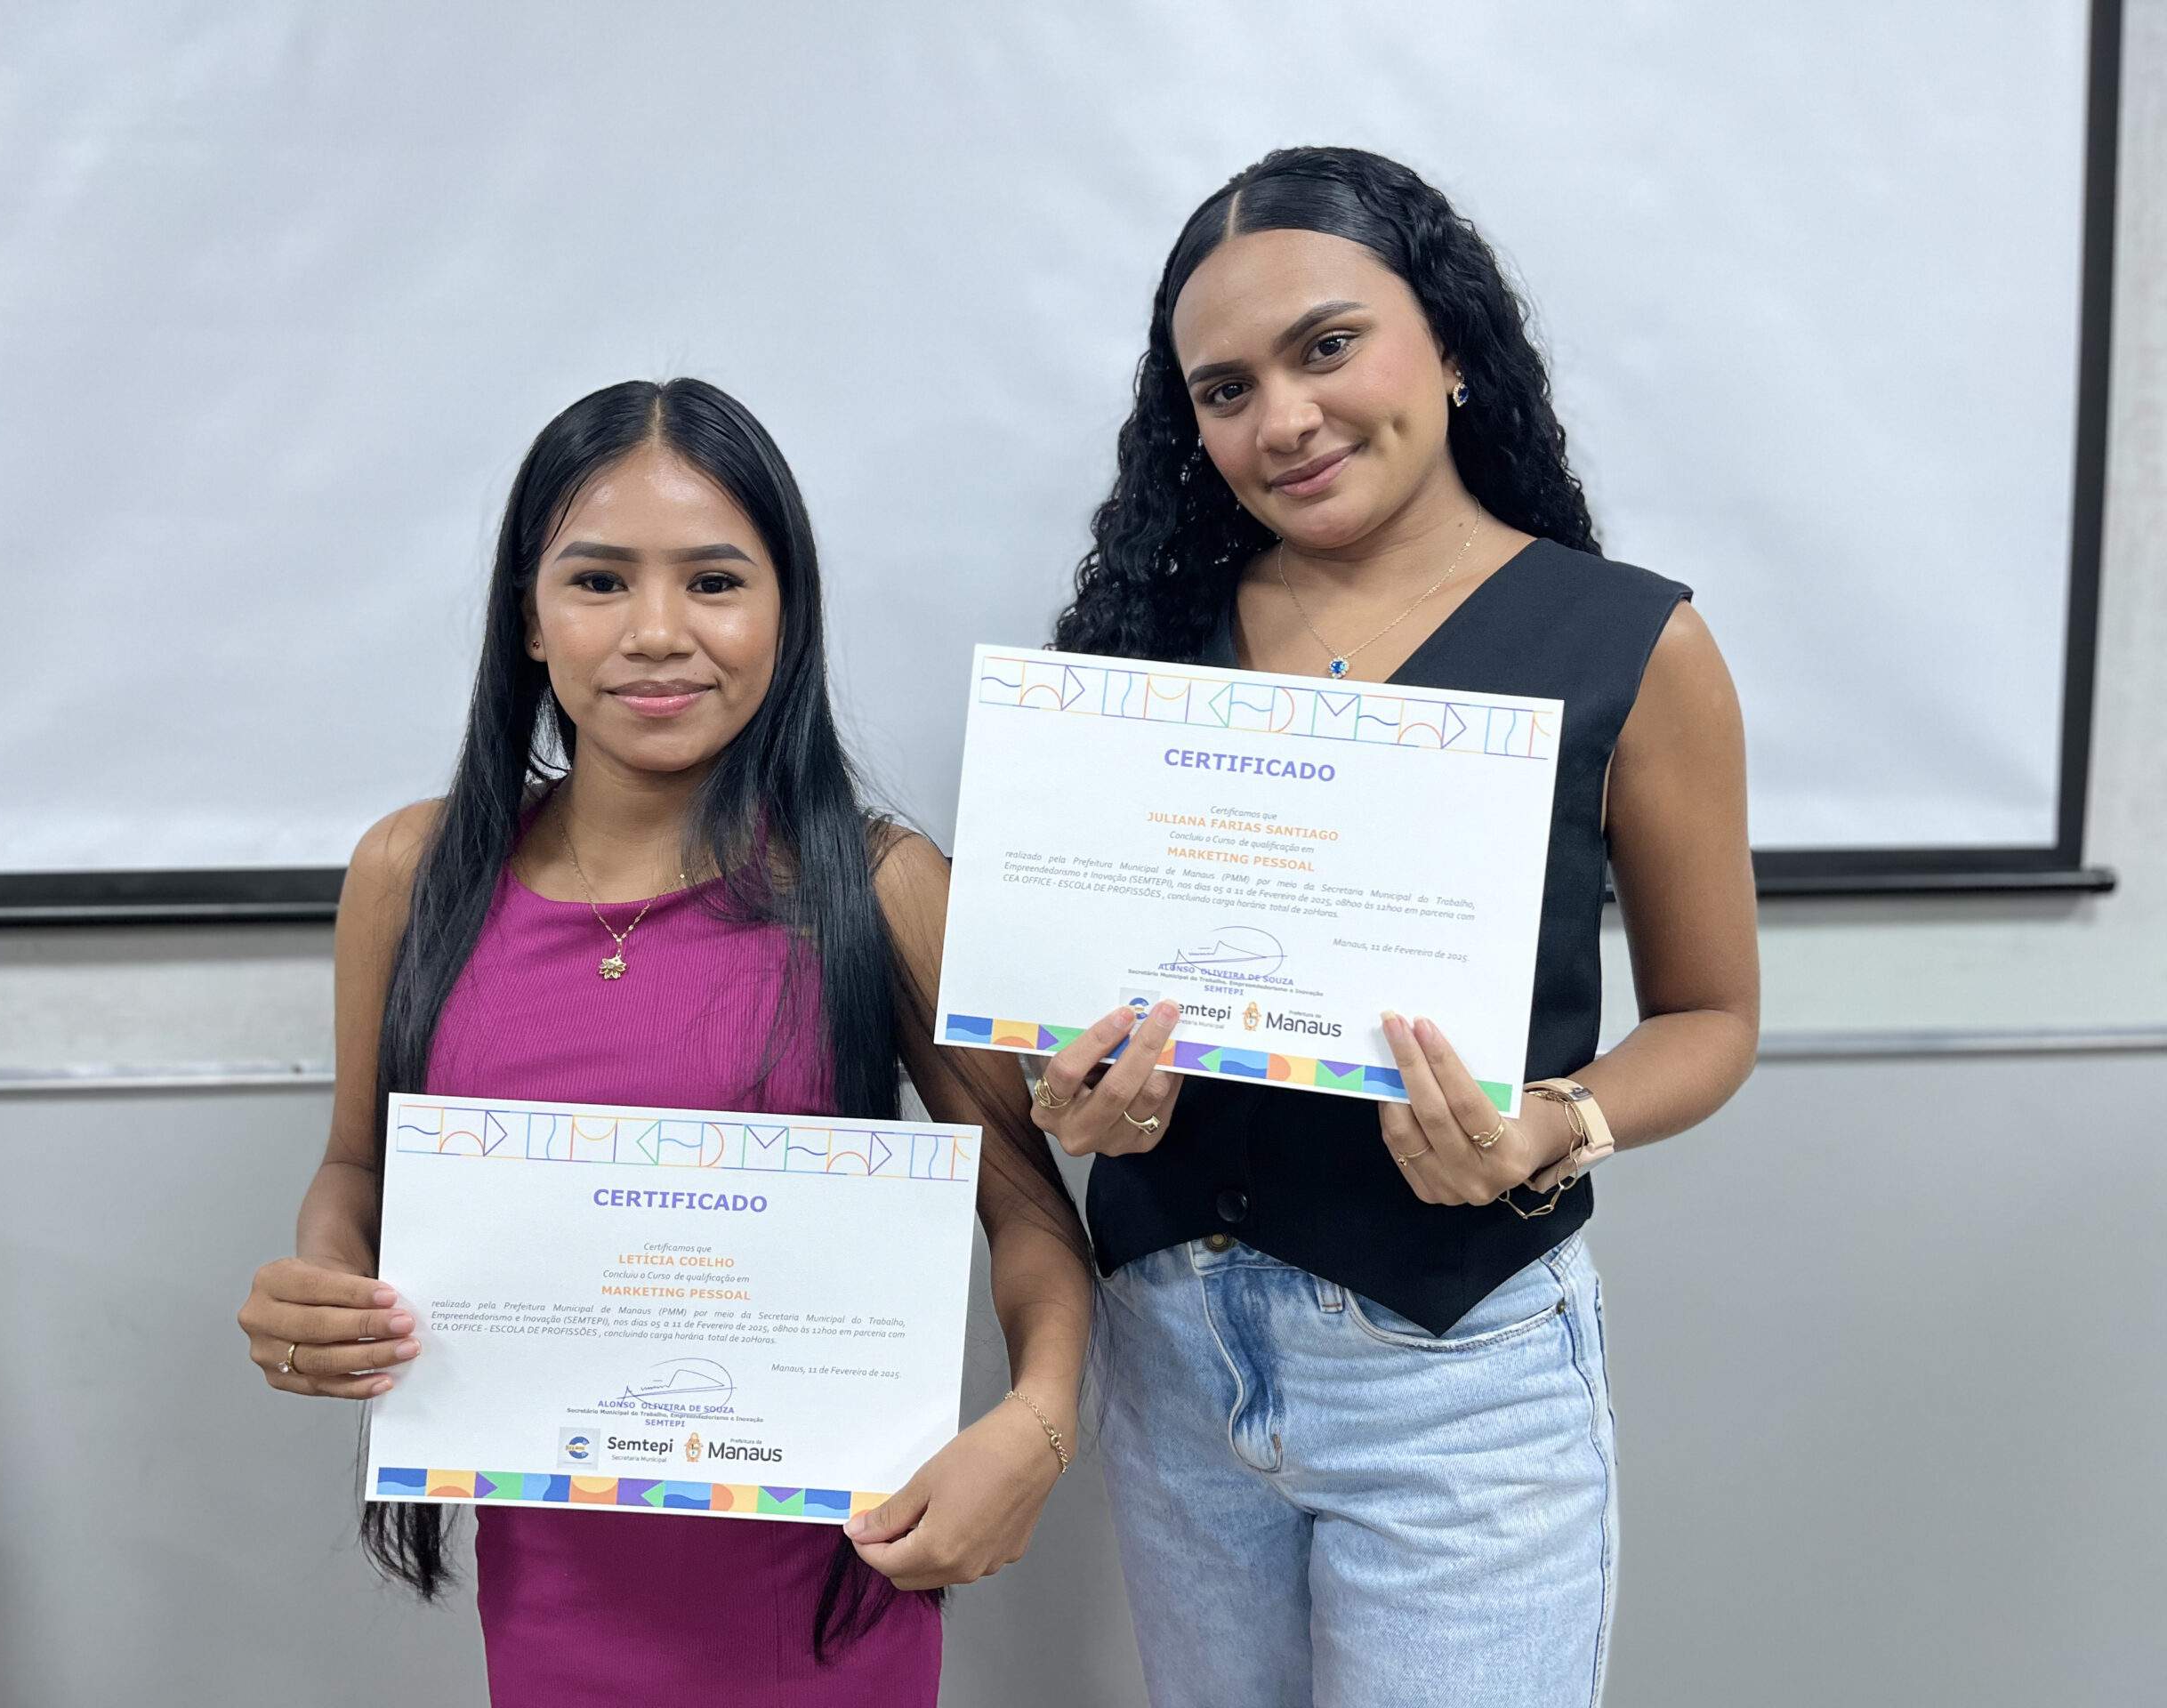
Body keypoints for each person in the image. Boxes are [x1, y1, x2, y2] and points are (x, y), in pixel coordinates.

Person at [237, 378, 1093, 1705]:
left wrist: (1036, 1425)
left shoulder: (881, 887)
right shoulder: (413, 872)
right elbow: (356, 1168)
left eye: (713, 582)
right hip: (551, 1587)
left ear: (785, 615)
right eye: (597, 581)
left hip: (821, 1600)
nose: (655, 633)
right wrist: (326, 1289)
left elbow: (1032, 1212)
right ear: (529, 618)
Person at [1038, 146, 1761, 1707]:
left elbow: (1713, 1018)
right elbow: (1088, 997)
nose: (1284, 418)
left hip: (1458, 1372)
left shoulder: (1631, 642)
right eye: (1225, 390)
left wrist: (1555, 1126)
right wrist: (1085, 1093)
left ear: (1448, 341)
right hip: (1170, 1352)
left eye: (1327, 346)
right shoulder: (1146, 643)